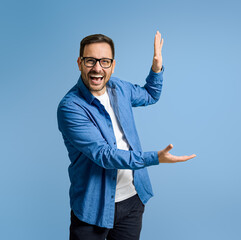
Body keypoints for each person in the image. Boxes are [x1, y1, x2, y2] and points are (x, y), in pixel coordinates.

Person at [57, 31, 196, 240]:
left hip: (132, 200)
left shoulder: (119, 88)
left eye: (104, 61)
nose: (97, 68)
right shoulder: (71, 107)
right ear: (79, 63)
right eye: (90, 61)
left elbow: (150, 95)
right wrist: (154, 158)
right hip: (93, 207)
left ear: (112, 65)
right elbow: (104, 155)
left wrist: (156, 69)